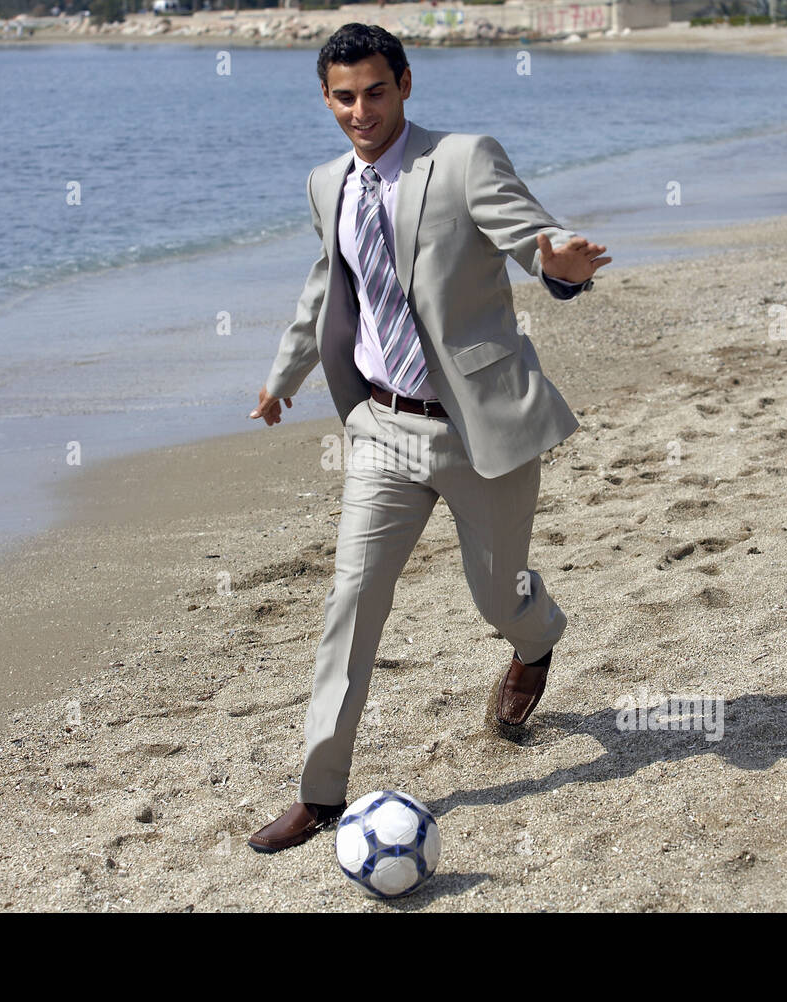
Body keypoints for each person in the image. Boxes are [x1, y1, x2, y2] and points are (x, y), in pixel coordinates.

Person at [246, 23, 610, 852]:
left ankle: (538, 637)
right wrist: (283, 378)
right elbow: (326, 288)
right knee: (352, 601)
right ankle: (321, 792)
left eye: (376, 91)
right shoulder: (326, 182)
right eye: (343, 97)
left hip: (477, 429)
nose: (360, 111)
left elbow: (533, 238)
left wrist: (560, 264)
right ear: (326, 99)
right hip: (379, 428)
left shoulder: (464, 158)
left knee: (497, 598)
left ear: (405, 83)